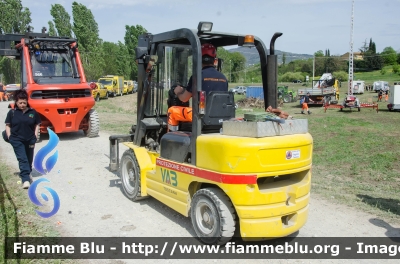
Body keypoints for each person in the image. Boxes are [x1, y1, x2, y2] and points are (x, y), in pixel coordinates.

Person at [167, 43, 228, 131]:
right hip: (220, 117)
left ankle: (170, 138)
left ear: (199, 59)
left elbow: (184, 99)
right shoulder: (223, 78)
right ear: (215, 61)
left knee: (172, 111)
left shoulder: (197, 76)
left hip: (201, 116)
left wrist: (178, 91)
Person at [5, 89, 41, 189]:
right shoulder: (12, 113)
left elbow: (37, 124)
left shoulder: (32, 112)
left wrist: (35, 135)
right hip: (16, 139)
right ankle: (25, 179)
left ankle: (28, 172)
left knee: (29, 158)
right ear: (16, 102)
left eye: (24, 102)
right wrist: (9, 136)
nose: (22, 105)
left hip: (30, 139)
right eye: (20, 103)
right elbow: (8, 125)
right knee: (23, 159)